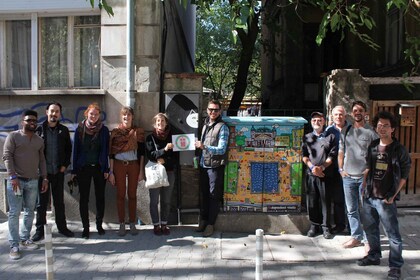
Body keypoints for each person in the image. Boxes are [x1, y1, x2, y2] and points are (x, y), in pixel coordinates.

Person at [357, 111, 411, 280]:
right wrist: (363, 186)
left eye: (386, 125)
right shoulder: (373, 145)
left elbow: (404, 175)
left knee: (392, 233)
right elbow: (368, 167)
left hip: (386, 197)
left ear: (392, 128)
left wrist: (393, 195)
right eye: (379, 125)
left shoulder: (399, 149)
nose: (382, 128)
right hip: (369, 196)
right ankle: (373, 255)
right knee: (371, 229)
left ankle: (395, 266)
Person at [2, 110, 48, 260]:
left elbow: (42, 160)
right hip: (16, 181)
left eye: (34, 120)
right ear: (23, 121)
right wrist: (12, 176)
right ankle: (14, 245)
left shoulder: (39, 140)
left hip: (33, 180)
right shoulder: (13, 136)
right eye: (29, 120)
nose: (32, 122)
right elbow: (7, 156)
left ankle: (25, 239)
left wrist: (45, 178)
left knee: (30, 210)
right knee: (15, 213)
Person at [338, 100, 378, 249]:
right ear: (352, 113)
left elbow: (376, 155)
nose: (357, 113)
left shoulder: (371, 133)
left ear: (365, 113)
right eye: (355, 110)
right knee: (351, 209)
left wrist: (369, 171)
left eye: (360, 110)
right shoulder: (346, 131)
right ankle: (356, 236)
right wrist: (340, 170)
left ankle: (368, 241)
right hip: (348, 178)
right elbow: (341, 152)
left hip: (364, 178)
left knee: (366, 210)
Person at [32, 102, 74, 242]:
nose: (54, 114)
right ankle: (39, 230)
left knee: (59, 202)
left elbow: (68, 149)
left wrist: (64, 166)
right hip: (43, 173)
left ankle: (62, 228)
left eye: (57, 111)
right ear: (46, 112)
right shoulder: (38, 130)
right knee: (41, 203)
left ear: (60, 114)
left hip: (58, 172)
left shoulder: (63, 130)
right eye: (52, 111)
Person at [72, 103, 110, 239]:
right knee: (84, 199)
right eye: (91, 114)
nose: (93, 116)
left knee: (100, 197)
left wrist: (106, 168)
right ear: (87, 114)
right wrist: (74, 169)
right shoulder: (80, 129)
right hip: (84, 168)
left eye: (96, 114)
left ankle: (99, 225)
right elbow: (75, 149)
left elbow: (106, 150)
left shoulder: (104, 130)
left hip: (99, 168)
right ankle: (86, 227)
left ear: (99, 115)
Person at [109, 106, 145, 236]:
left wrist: (141, 171)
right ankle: (121, 223)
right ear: (121, 117)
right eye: (124, 115)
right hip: (118, 165)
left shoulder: (138, 133)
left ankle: (132, 223)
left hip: (133, 165)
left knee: (132, 194)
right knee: (120, 194)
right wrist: (111, 172)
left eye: (129, 115)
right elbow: (111, 154)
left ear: (132, 117)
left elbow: (141, 154)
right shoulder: (115, 133)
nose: (126, 117)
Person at [195, 100, 229, 237]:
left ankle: (210, 224)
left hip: (215, 166)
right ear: (207, 110)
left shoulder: (222, 127)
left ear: (220, 111)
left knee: (213, 195)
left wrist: (204, 147)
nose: (212, 112)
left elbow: (222, 149)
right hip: (203, 165)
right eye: (210, 110)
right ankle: (203, 221)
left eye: (215, 110)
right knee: (204, 194)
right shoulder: (205, 124)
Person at [302, 112, 336, 239]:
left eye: (319, 120)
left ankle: (326, 227)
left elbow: (332, 156)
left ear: (324, 122)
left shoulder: (330, 137)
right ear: (311, 122)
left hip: (325, 175)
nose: (317, 122)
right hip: (311, 175)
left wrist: (321, 168)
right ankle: (314, 225)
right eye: (314, 120)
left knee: (325, 201)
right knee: (312, 200)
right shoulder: (307, 137)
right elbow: (304, 156)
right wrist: (312, 167)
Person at [145, 113, 177, 235]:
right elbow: (150, 154)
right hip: (155, 173)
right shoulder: (150, 138)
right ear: (155, 123)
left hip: (169, 172)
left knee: (166, 200)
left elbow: (175, 157)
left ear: (166, 123)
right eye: (158, 121)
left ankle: (164, 224)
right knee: (154, 201)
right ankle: (155, 225)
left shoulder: (172, 137)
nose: (160, 123)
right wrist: (164, 150)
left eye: (162, 121)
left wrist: (165, 160)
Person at [325, 105, 348, 234]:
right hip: (333, 169)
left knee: (351, 200)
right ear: (332, 116)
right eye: (336, 115)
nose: (338, 117)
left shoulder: (351, 128)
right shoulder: (329, 131)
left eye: (341, 114)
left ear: (345, 115)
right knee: (338, 198)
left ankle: (352, 227)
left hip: (350, 168)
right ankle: (340, 225)